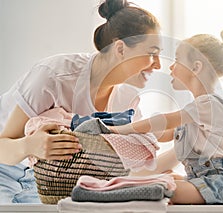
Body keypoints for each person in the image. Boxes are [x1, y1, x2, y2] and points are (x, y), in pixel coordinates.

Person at [0, 0, 162, 203]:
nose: (158, 65)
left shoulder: (127, 102)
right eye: (152, 53)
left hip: (49, 181)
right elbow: (3, 145)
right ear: (120, 49)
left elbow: (131, 166)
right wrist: (29, 146)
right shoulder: (54, 76)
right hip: (5, 167)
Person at [110, 30, 223, 204]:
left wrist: (118, 129)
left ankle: (113, 191)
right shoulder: (194, 113)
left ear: (196, 67)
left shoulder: (209, 104)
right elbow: (164, 133)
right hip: (204, 180)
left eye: (177, 60)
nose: (170, 67)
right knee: (165, 178)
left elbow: (163, 121)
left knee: (162, 186)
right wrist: (127, 136)